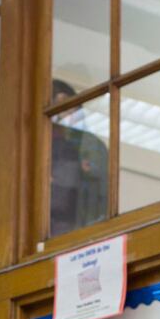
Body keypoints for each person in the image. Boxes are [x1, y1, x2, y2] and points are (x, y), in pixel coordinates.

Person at [48, 80, 108, 237]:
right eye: (54, 104)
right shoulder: (42, 144)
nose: (60, 112)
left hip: (81, 228)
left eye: (64, 104)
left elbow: (103, 193)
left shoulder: (92, 145)